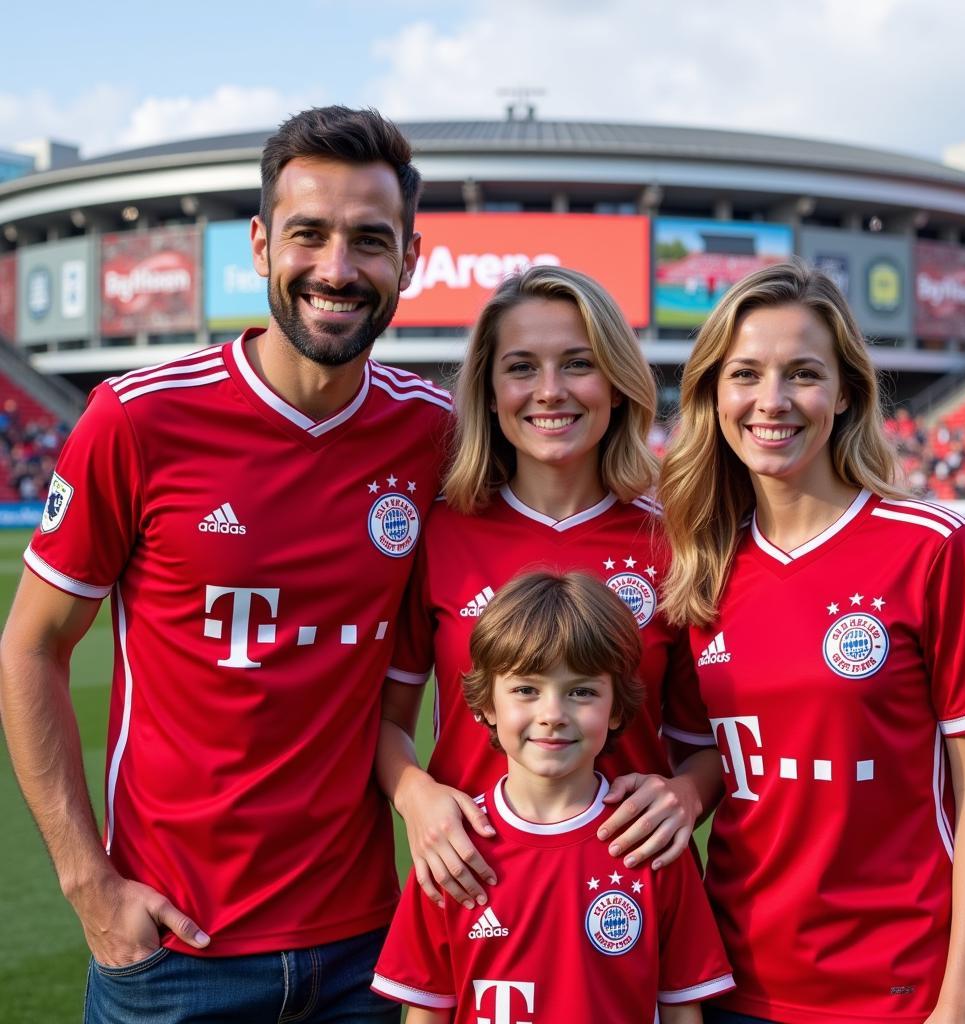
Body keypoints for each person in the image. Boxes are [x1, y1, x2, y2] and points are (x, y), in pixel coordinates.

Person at [0, 106, 451, 1023]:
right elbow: (31, 648)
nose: (336, 268)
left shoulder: (430, 433)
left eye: (370, 240)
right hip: (174, 952)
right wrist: (89, 886)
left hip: (365, 947)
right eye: (308, 235)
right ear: (258, 245)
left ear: (409, 257)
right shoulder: (138, 420)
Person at [658, 259, 965, 1024]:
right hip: (734, 987)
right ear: (713, 394)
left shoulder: (933, 548)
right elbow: (712, 764)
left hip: (899, 992)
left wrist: (963, 994)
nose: (772, 401)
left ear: (847, 392)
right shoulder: (701, 565)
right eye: (746, 374)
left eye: (803, 374)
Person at [375, 266, 723, 910]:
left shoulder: (676, 541)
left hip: (630, 899)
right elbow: (386, 723)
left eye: (577, 364)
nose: (550, 391)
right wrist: (415, 795)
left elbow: (713, 744)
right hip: (474, 895)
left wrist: (687, 795)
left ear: (617, 384)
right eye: (521, 368)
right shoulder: (439, 531)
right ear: (488, 389)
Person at [371, 570, 735, 1023]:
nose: (553, 715)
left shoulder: (649, 844)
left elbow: (683, 1010)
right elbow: (427, 1014)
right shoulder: (454, 853)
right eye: (526, 689)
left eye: (581, 692)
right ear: (486, 703)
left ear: (618, 709)